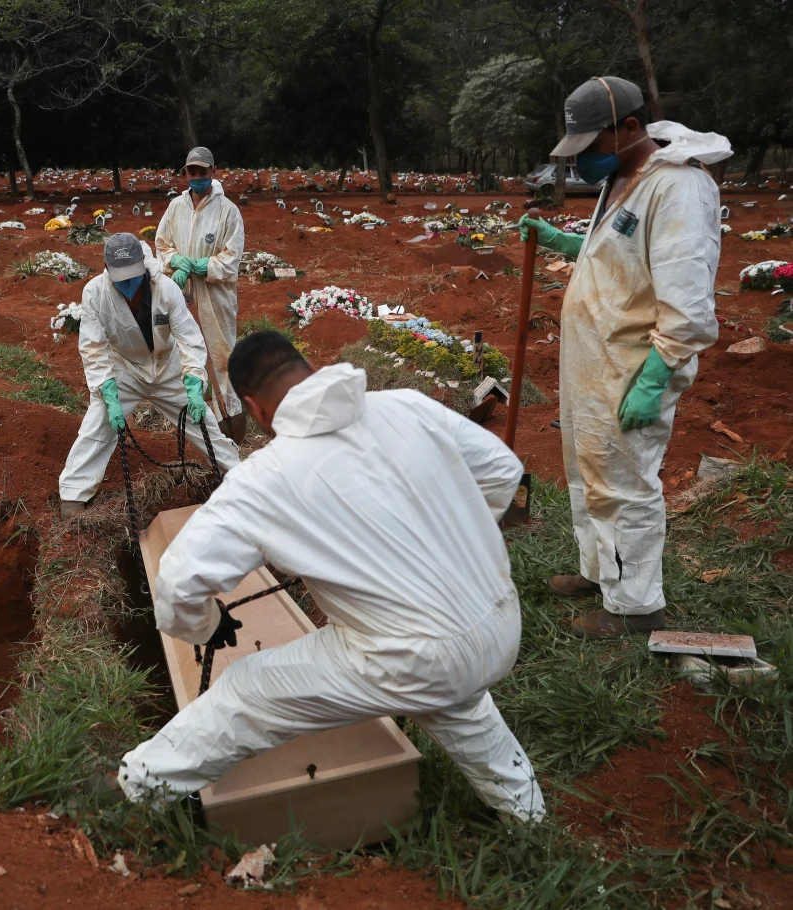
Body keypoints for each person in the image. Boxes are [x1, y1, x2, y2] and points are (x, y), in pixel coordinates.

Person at [116, 331, 544, 823]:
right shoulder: (407, 407)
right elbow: (504, 472)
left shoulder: (263, 480)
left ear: (255, 409)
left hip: (416, 657)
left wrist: (206, 625)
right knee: (456, 698)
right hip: (500, 622)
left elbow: (176, 585)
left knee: (247, 689)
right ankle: (527, 816)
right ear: (310, 369)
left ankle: (136, 787)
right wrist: (455, 544)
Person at [517, 77, 729, 638]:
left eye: (590, 146)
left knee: (625, 483)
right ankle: (598, 572)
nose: (584, 160)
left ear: (629, 127)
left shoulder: (677, 186)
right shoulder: (623, 176)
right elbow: (622, 255)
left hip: (634, 365)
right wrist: (563, 242)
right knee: (587, 472)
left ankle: (634, 608)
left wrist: (656, 376)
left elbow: (687, 298)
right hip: (596, 361)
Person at [58, 234, 241, 518]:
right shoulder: (95, 293)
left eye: (132, 276)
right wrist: (106, 388)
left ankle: (239, 478)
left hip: (168, 368)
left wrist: (194, 379)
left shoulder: (166, 289)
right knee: (99, 424)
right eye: (120, 279)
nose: (128, 286)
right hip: (125, 370)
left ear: (143, 266)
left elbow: (189, 339)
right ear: (107, 269)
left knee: (201, 421)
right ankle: (73, 495)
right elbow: (93, 347)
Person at [155, 147, 247, 444]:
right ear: (185, 173)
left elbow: (231, 258)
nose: (196, 177)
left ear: (213, 172)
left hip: (215, 294)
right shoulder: (175, 207)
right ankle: (198, 418)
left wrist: (203, 265)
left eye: (202, 172)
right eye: (191, 172)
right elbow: (162, 244)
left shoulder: (228, 211)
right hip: (181, 292)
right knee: (186, 353)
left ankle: (230, 417)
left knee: (221, 354)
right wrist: (175, 262)